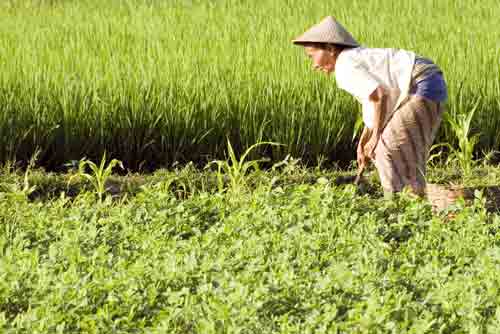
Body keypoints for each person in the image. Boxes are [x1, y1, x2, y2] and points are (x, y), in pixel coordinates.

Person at [293, 16, 448, 197]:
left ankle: (399, 206)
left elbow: (380, 96)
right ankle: (412, 202)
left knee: (387, 148)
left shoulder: (344, 66)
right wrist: (365, 140)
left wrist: (375, 138)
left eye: (312, 56)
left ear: (330, 48)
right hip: (427, 79)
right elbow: (373, 101)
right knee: (398, 150)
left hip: (422, 82)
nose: (314, 65)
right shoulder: (351, 59)